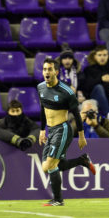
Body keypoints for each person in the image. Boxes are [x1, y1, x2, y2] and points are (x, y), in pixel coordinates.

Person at [37, 58, 96, 207]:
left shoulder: (67, 91)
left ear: (56, 72)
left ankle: (58, 200)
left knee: (48, 166)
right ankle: (82, 161)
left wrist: (81, 136)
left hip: (62, 129)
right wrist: (42, 130)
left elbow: (76, 114)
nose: (46, 72)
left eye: (49, 69)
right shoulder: (41, 88)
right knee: (54, 165)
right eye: (44, 69)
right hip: (50, 131)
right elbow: (43, 110)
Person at [78, 45, 109, 120]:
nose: (102, 57)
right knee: (99, 87)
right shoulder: (89, 70)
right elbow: (86, 87)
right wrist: (101, 79)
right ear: (95, 57)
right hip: (95, 100)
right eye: (99, 55)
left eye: (104, 55)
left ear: (108, 56)